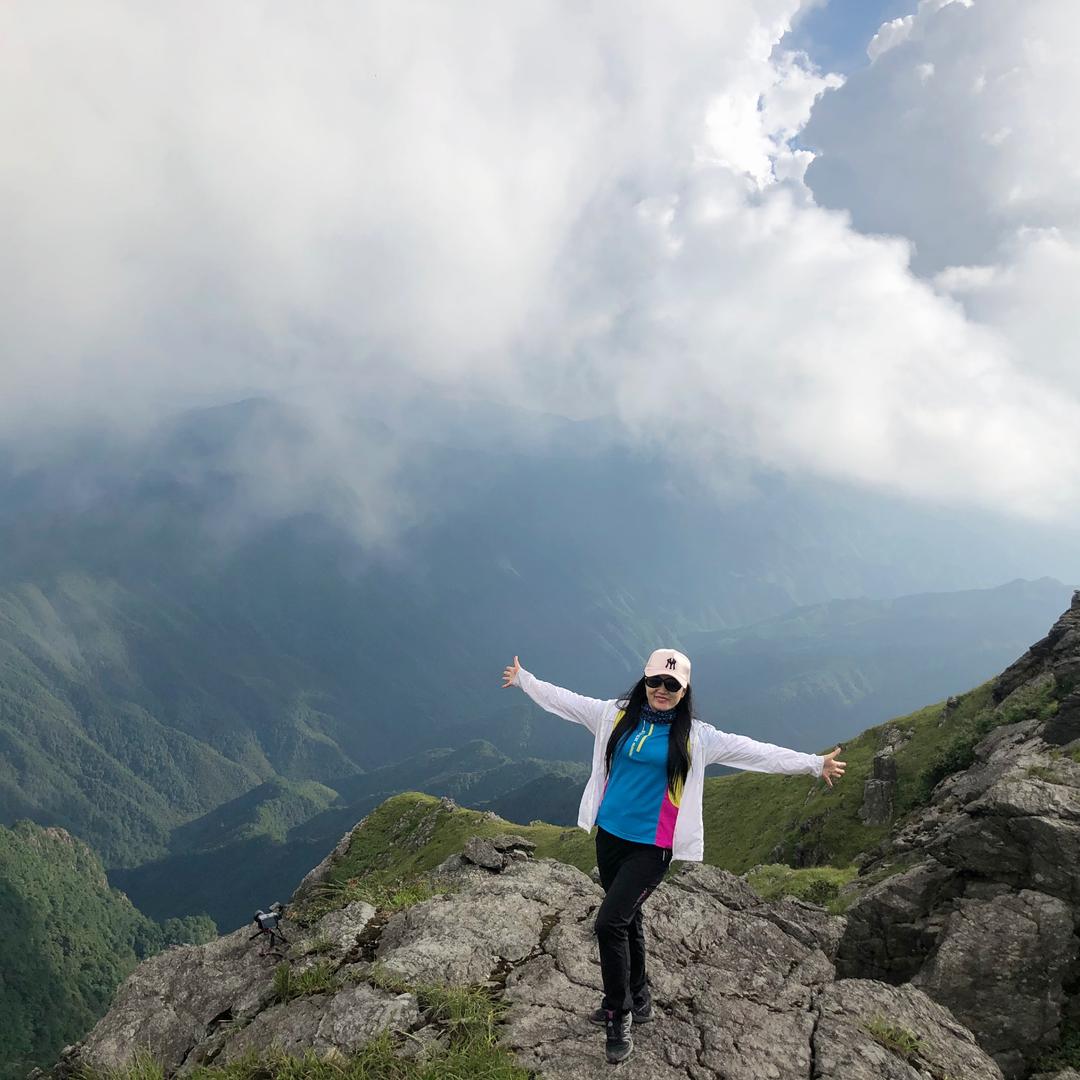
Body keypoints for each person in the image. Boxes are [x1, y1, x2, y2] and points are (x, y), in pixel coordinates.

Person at [502, 648, 845, 1065]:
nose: (661, 690)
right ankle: (641, 997)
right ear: (644, 681)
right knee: (629, 920)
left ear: (684, 691)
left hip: (653, 847)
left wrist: (813, 763)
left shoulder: (697, 737)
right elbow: (566, 701)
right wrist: (525, 679)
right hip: (610, 836)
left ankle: (618, 1014)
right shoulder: (614, 715)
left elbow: (755, 752)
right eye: (655, 682)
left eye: (672, 685)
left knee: (609, 923)